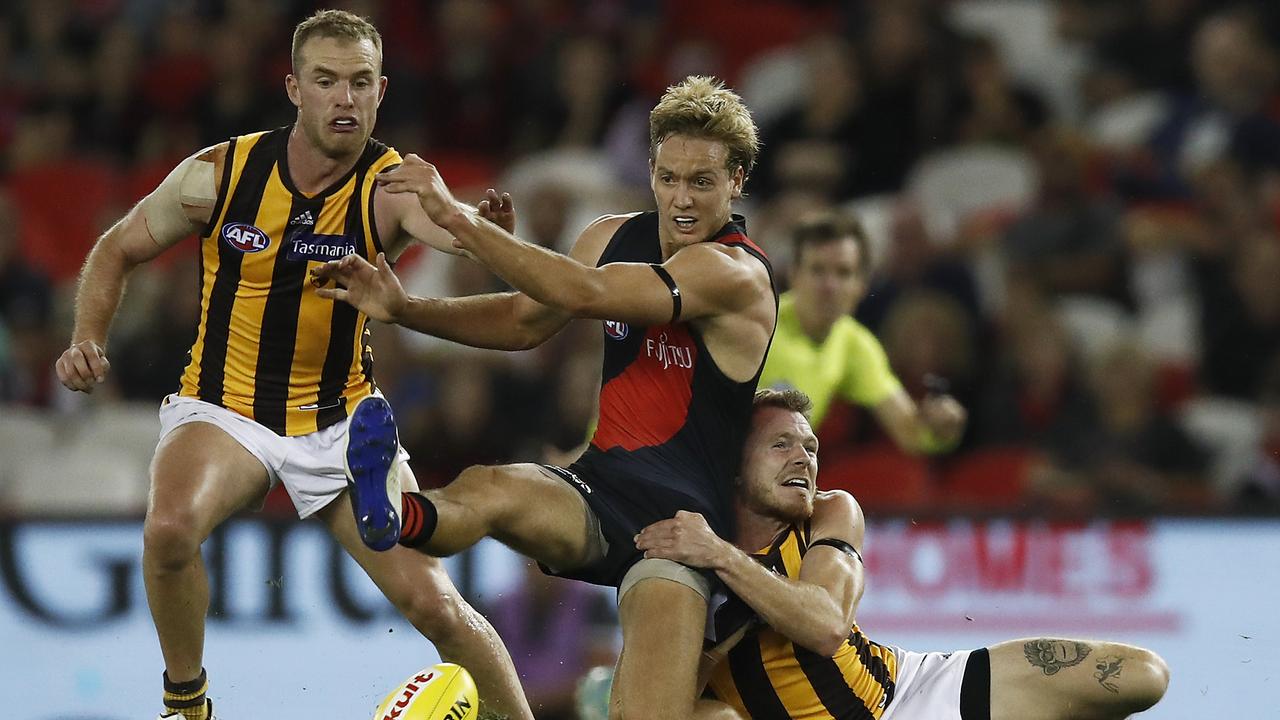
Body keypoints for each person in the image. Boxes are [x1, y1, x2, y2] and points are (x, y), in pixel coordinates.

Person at [53, 10, 531, 720]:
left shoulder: (392, 186)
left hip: (340, 425)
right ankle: (186, 704)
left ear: (381, 90)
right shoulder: (221, 173)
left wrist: (475, 229)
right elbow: (118, 246)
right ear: (293, 88)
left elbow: (458, 237)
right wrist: (86, 335)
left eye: (360, 83)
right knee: (169, 531)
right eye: (327, 81)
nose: (345, 98)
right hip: (224, 408)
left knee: (436, 607)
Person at [313, 75, 778, 719]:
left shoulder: (736, 273)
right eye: (668, 177)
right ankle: (397, 517)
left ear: (738, 181)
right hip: (597, 486)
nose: (682, 199)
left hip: (682, 529)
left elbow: (584, 295)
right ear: (649, 170)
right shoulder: (610, 237)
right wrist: (403, 307)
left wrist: (459, 222)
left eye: (702, 182)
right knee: (491, 488)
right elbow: (523, 323)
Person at [634, 388, 1170, 719]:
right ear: (731, 465)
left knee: (1141, 674)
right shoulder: (684, 561)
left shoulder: (831, 511)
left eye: (812, 448)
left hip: (908, 694)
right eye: (781, 446)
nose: (803, 459)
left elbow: (825, 625)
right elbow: (662, 704)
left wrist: (725, 561)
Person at [760, 210, 967, 454]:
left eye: (843, 272)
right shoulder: (760, 325)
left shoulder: (853, 344)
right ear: (793, 274)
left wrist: (943, 429)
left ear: (862, 285)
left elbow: (912, 434)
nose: (830, 286)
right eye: (817, 270)